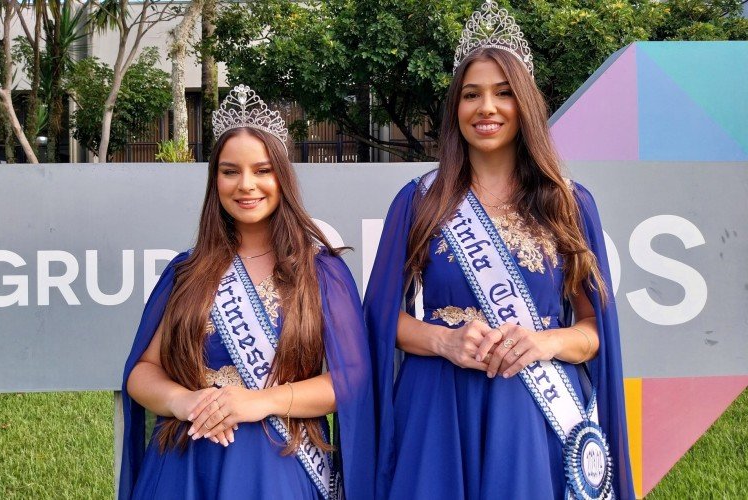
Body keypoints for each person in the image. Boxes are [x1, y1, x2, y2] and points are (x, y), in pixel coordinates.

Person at [364, 2, 634, 499]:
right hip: (438, 410)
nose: (486, 108)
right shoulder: (419, 200)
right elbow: (382, 322)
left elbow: (595, 329)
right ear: (455, 109)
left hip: (534, 414)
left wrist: (545, 343)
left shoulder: (569, 204)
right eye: (472, 95)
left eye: (503, 93)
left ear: (525, 104)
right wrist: (443, 341)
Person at [120, 85, 375, 499]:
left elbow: (349, 380)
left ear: (282, 176)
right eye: (230, 171)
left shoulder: (321, 272)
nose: (246, 185)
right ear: (214, 179)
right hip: (188, 462)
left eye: (262, 170)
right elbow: (142, 373)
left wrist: (262, 402)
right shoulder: (187, 271)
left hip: (280, 467)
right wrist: (184, 401)